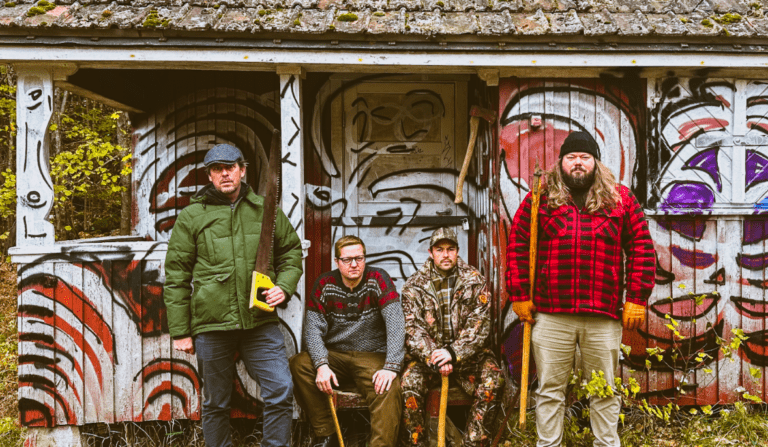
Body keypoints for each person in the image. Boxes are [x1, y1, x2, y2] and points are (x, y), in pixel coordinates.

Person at [506, 131, 656, 447]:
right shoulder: (540, 199)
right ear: (561, 162)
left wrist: (637, 298)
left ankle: (606, 444)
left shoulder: (620, 199)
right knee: (549, 389)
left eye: (584, 157)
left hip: (603, 315)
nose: (578, 163)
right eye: (571, 157)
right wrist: (519, 294)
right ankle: (548, 444)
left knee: (603, 390)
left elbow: (641, 247)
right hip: (551, 314)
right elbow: (518, 243)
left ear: (595, 162)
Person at [163, 144, 303, 447]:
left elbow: (291, 252)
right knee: (215, 401)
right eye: (217, 169)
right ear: (210, 176)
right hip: (211, 325)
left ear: (242, 169)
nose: (225, 173)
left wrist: (285, 286)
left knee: (280, 389)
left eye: (230, 167)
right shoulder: (191, 217)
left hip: (259, 322)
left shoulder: (266, 210)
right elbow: (176, 276)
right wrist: (180, 331)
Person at [290, 235, 405, 447]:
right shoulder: (324, 284)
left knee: (388, 387)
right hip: (337, 355)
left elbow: (396, 323)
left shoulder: (378, 278)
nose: (354, 264)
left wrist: (391, 366)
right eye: (347, 259)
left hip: (372, 355)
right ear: (337, 262)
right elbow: (313, 330)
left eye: (359, 258)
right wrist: (322, 364)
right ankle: (326, 434)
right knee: (299, 364)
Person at [399, 227, 504, 447]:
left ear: (457, 251)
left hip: (467, 358)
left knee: (494, 379)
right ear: (431, 253)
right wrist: (435, 356)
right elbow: (412, 329)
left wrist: (453, 354)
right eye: (440, 250)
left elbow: (480, 326)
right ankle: (415, 443)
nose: (445, 254)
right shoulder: (413, 286)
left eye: (451, 249)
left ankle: (474, 443)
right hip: (429, 360)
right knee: (408, 384)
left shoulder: (474, 281)